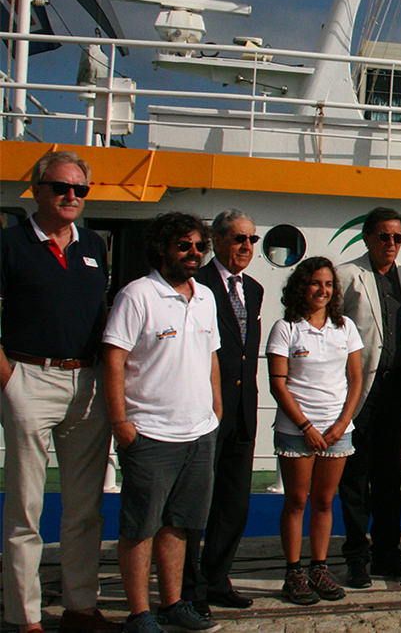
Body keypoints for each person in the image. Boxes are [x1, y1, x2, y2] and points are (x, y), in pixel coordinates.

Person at [0, 151, 118, 633]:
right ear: (38, 190)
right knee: (26, 507)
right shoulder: (9, 244)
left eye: (80, 190)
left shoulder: (93, 244)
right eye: (61, 188)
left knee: (85, 507)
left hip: (87, 382)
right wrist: (7, 376)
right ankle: (25, 616)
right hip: (28, 377)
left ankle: (80, 606)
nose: (72, 197)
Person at [101, 212, 222, 633]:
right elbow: (113, 358)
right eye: (183, 245)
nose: (193, 253)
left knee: (180, 524)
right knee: (140, 527)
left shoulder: (205, 296)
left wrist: (216, 410)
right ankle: (139, 613)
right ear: (162, 248)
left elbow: (211, 356)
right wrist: (120, 422)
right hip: (150, 431)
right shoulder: (137, 296)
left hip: (198, 431)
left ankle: (172, 604)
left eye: (198, 246)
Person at [265, 258, 363, 604]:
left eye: (328, 285)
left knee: (324, 501)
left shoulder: (345, 327)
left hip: (337, 430)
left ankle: (319, 567)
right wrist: (305, 426)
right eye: (315, 283)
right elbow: (278, 383)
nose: (322, 291)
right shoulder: (286, 327)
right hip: (297, 430)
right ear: (301, 287)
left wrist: (341, 423)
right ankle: (293, 573)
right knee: (296, 501)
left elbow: (356, 379)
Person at [337, 207, 401, 587]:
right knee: (354, 479)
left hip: (395, 390)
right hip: (358, 392)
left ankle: (388, 553)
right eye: (383, 237)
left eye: (398, 238)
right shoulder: (345, 276)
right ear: (367, 238)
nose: (391, 244)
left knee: (390, 479)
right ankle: (357, 556)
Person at [184, 210, 263, 616]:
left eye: (252, 239)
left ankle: (217, 578)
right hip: (205, 409)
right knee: (197, 504)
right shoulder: (197, 286)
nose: (246, 247)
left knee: (234, 503)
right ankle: (189, 588)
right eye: (237, 239)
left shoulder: (255, 289)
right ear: (216, 240)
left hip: (243, 412)